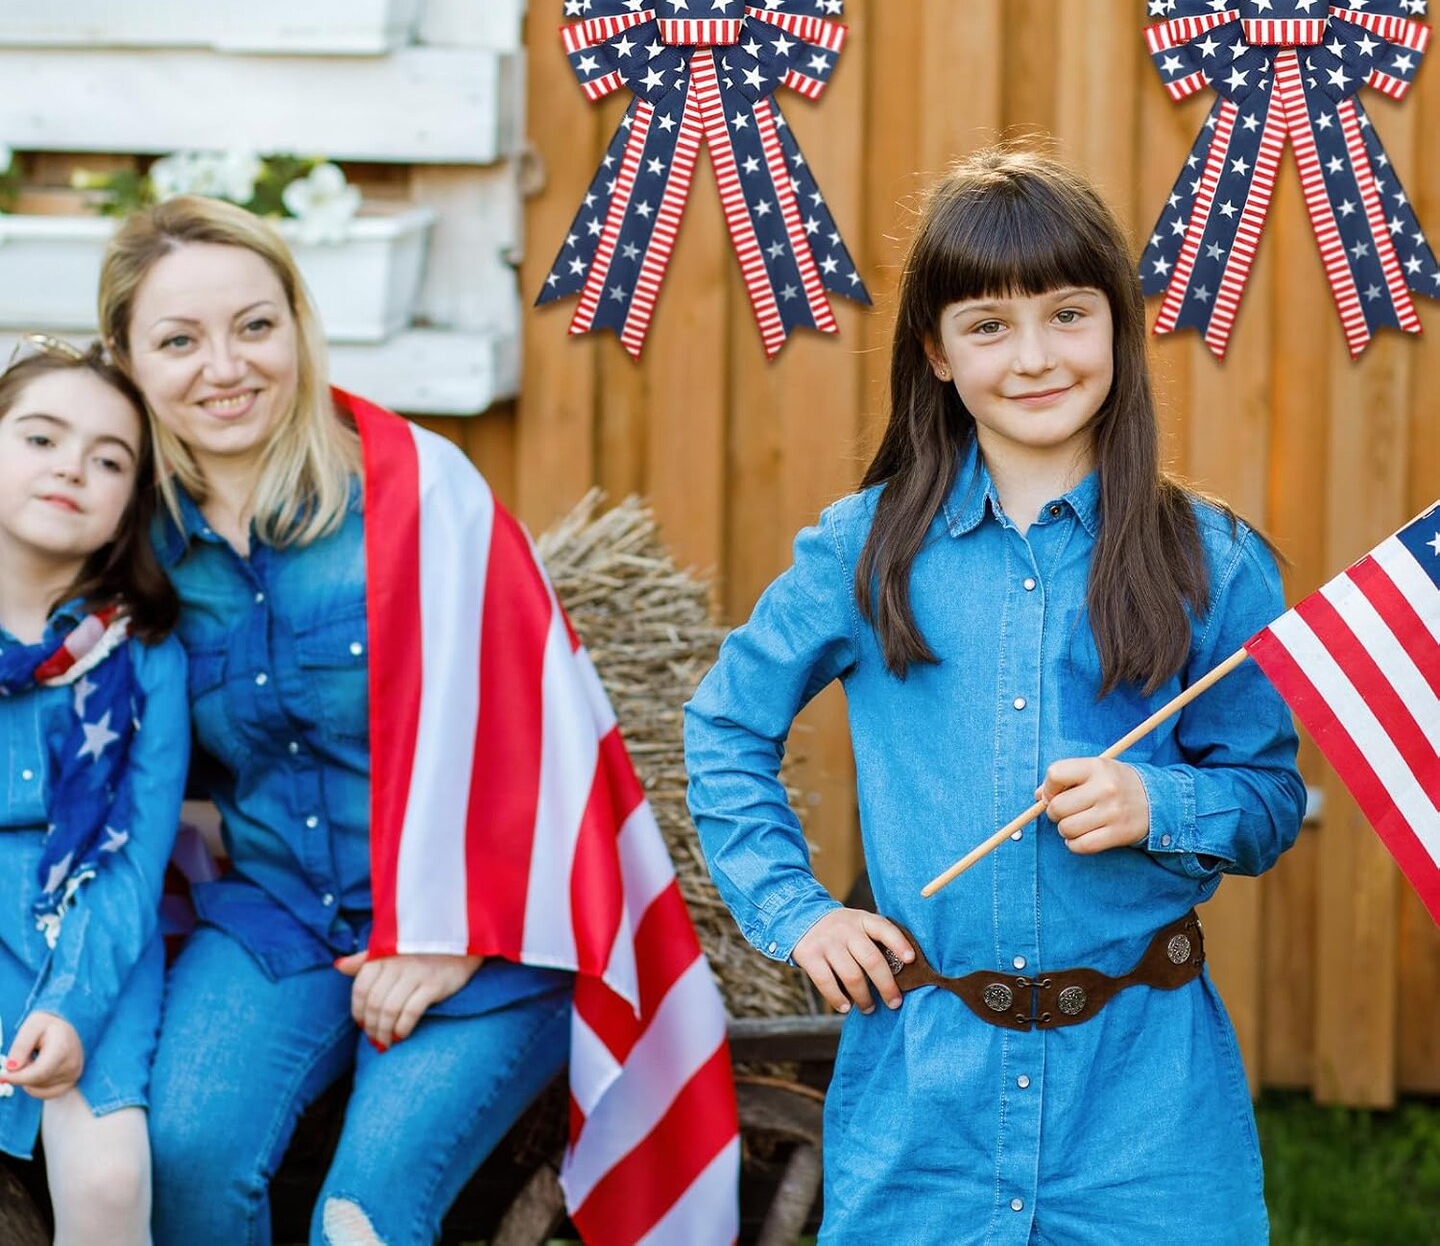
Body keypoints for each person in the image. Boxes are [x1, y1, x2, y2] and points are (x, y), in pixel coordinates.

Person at [685, 147, 1306, 1245]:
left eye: (1068, 315)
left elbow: (1264, 796)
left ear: (1117, 323)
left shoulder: (1212, 560)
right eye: (988, 326)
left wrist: (1160, 806)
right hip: (926, 1093)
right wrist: (798, 912)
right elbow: (726, 727)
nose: (1034, 358)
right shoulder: (861, 552)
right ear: (934, 351)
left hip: (1144, 1100)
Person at [97, 198, 574, 1245]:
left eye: (254, 326)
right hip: (278, 919)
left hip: (477, 930)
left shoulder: (418, 496)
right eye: (178, 341)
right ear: (128, 363)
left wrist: (452, 934)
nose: (225, 367)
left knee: (360, 1219)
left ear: (300, 328)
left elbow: (541, 738)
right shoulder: (137, 548)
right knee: (182, 1160)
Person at [0, 338, 188, 1246]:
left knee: (110, 1181)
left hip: (85, 935)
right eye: (41, 438)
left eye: (109, 459)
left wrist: (71, 1005)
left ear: (128, 508)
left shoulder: (143, 653)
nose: (72, 466)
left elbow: (136, 856)